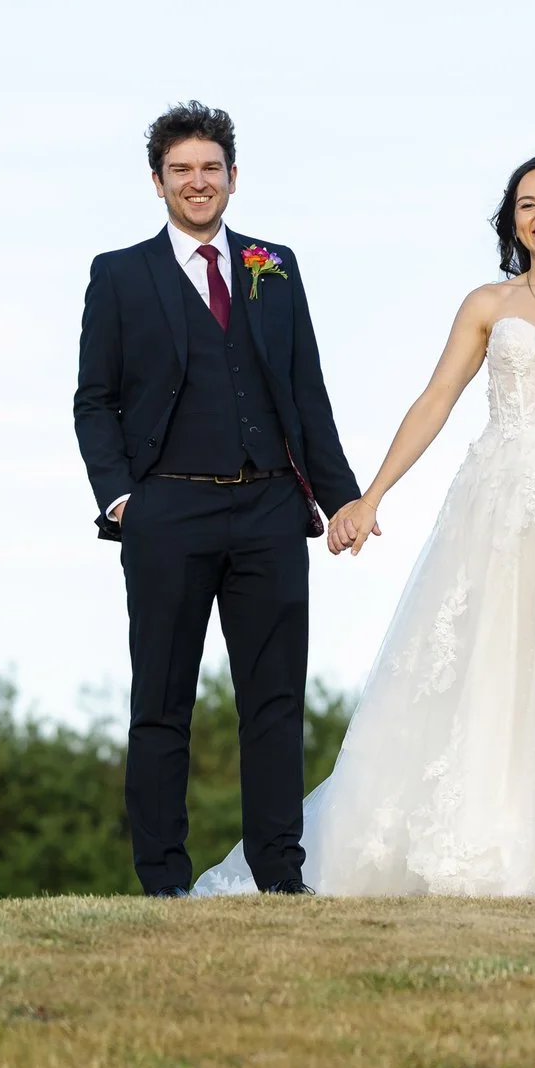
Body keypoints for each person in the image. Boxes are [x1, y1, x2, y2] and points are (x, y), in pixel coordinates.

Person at [195, 151, 535, 898]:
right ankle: (471, 844)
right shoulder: (486, 303)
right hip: (494, 505)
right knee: (481, 666)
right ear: (512, 222)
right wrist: (370, 493)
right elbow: (436, 399)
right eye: (525, 203)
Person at [73, 101, 365, 896]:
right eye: (181, 171)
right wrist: (122, 499)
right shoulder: (119, 274)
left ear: (233, 177)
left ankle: (280, 873)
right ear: (158, 182)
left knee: (273, 703)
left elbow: (307, 391)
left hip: (270, 508)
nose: (197, 182)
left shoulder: (277, 264)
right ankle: (162, 880)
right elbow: (93, 400)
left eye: (211, 169)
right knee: (161, 702)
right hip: (167, 511)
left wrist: (342, 498)